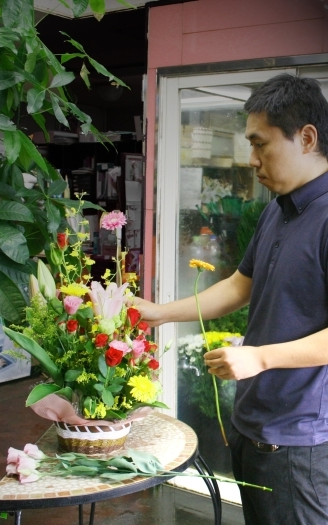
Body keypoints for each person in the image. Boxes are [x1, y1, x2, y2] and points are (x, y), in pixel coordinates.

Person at [134, 74, 328, 525]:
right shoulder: (277, 210)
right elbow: (241, 285)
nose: (252, 160)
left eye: (261, 145)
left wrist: (259, 359)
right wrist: (161, 314)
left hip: (297, 442)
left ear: (306, 137)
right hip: (253, 425)